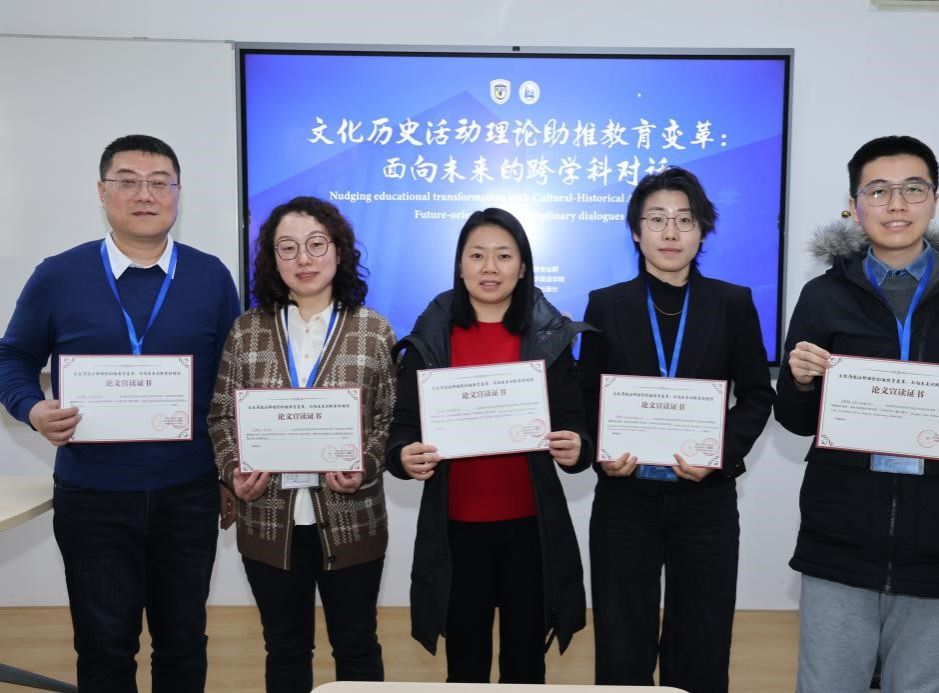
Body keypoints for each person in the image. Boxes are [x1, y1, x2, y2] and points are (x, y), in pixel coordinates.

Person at [777, 135, 939, 693]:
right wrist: (798, 381)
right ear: (854, 205)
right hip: (840, 535)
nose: (896, 204)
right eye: (878, 191)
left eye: (913, 189)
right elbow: (796, 419)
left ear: (935, 200)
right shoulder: (823, 295)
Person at [0, 134, 240, 692]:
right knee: (104, 646)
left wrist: (230, 471)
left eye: (159, 183)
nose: (144, 194)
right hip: (93, 497)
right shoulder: (59, 275)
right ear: (102, 192)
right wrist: (32, 408)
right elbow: (12, 357)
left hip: (188, 493)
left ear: (177, 193)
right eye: (128, 181)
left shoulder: (210, 276)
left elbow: (232, 384)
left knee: (184, 641)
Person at [578, 167, 774, 692]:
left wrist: (719, 453)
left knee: (701, 643)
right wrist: (601, 451)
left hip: (705, 500)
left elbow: (757, 395)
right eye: (657, 219)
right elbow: (586, 394)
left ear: (702, 231)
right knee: (622, 643)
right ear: (636, 231)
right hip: (625, 498)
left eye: (685, 220)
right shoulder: (606, 304)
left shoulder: (732, 303)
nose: (671, 232)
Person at [385, 207, 591, 683]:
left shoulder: (549, 336)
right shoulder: (431, 336)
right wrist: (402, 455)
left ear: (523, 266)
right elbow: (404, 425)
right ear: (460, 265)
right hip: (456, 529)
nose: (490, 268)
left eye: (504, 255)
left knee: (526, 664)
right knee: (466, 665)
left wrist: (577, 446)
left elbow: (575, 422)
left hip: (529, 527)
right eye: (477, 255)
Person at [208, 196, 395, 692]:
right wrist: (234, 470)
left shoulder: (373, 330)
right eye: (287, 248)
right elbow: (221, 415)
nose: (303, 259)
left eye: (316, 244)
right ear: (273, 259)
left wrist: (365, 464)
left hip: (353, 519)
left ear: (339, 250)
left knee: (357, 645)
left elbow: (388, 418)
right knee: (285, 648)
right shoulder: (246, 331)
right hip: (269, 518)